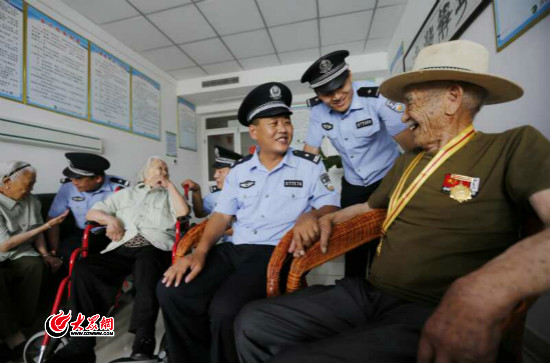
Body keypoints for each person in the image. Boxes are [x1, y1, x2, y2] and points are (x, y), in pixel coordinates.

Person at [235, 40, 550, 363]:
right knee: (252, 322)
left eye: (411, 103)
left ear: (453, 99)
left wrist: (483, 290)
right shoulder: (409, 160)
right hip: (370, 293)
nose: (404, 115)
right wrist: (323, 217)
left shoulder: (514, 145)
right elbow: (368, 209)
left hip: (430, 306)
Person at [157, 82, 340, 363]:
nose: (283, 129)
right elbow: (220, 216)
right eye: (274, 122)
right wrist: (200, 252)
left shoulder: (310, 165)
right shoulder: (239, 171)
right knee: (172, 290)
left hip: (274, 252)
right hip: (234, 250)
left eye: (287, 121)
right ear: (254, 131)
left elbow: (330, 204)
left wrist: (310, 214)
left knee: (225, 309)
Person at [48, 157, 190, 363]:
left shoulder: (170, 194)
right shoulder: (125, 194)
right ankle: (82, 344)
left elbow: (183, 213)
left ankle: (143, 343)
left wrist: (168, 185)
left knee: (146, 269)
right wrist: (110, 219)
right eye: (159, 168)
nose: (163, 171)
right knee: (85, 268)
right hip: (122, 246)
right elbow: (93, 212)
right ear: (146, 173)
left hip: (154, 247)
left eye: (166, 169)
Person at [301, 50, 416, 278]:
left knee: (383, 238)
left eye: (340, 87)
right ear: (317, 94)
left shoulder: (376, 97)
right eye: (326, 93)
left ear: (350, 76)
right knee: (351, 241)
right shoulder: (318, 111)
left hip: (387, 177)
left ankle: (380, 287)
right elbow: (309, 157)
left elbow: (411, 148)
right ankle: (353, 291)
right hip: (353, 183)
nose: (335, 97)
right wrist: (305, 205)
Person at [0, 161, 68, 361]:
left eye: (33, 184)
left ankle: (25, 324)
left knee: (35, 265)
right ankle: (13, 337)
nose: (31, 189)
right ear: (6, 182)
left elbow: (38, 233)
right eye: (28, 184)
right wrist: (45, 227)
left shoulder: (33, 201)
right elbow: (3, 246)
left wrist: (46, 254)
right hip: (2, 253)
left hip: (21, 253)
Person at [47, 152, 128, 263]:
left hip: (110, 234)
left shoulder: (119, 188)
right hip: (81, 233)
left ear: (98, 178)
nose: (74, 183)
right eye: (72, 178)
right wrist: (53, 250)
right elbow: (53, 219)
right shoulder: (68, 187)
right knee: (67, 254)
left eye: (79, 179)